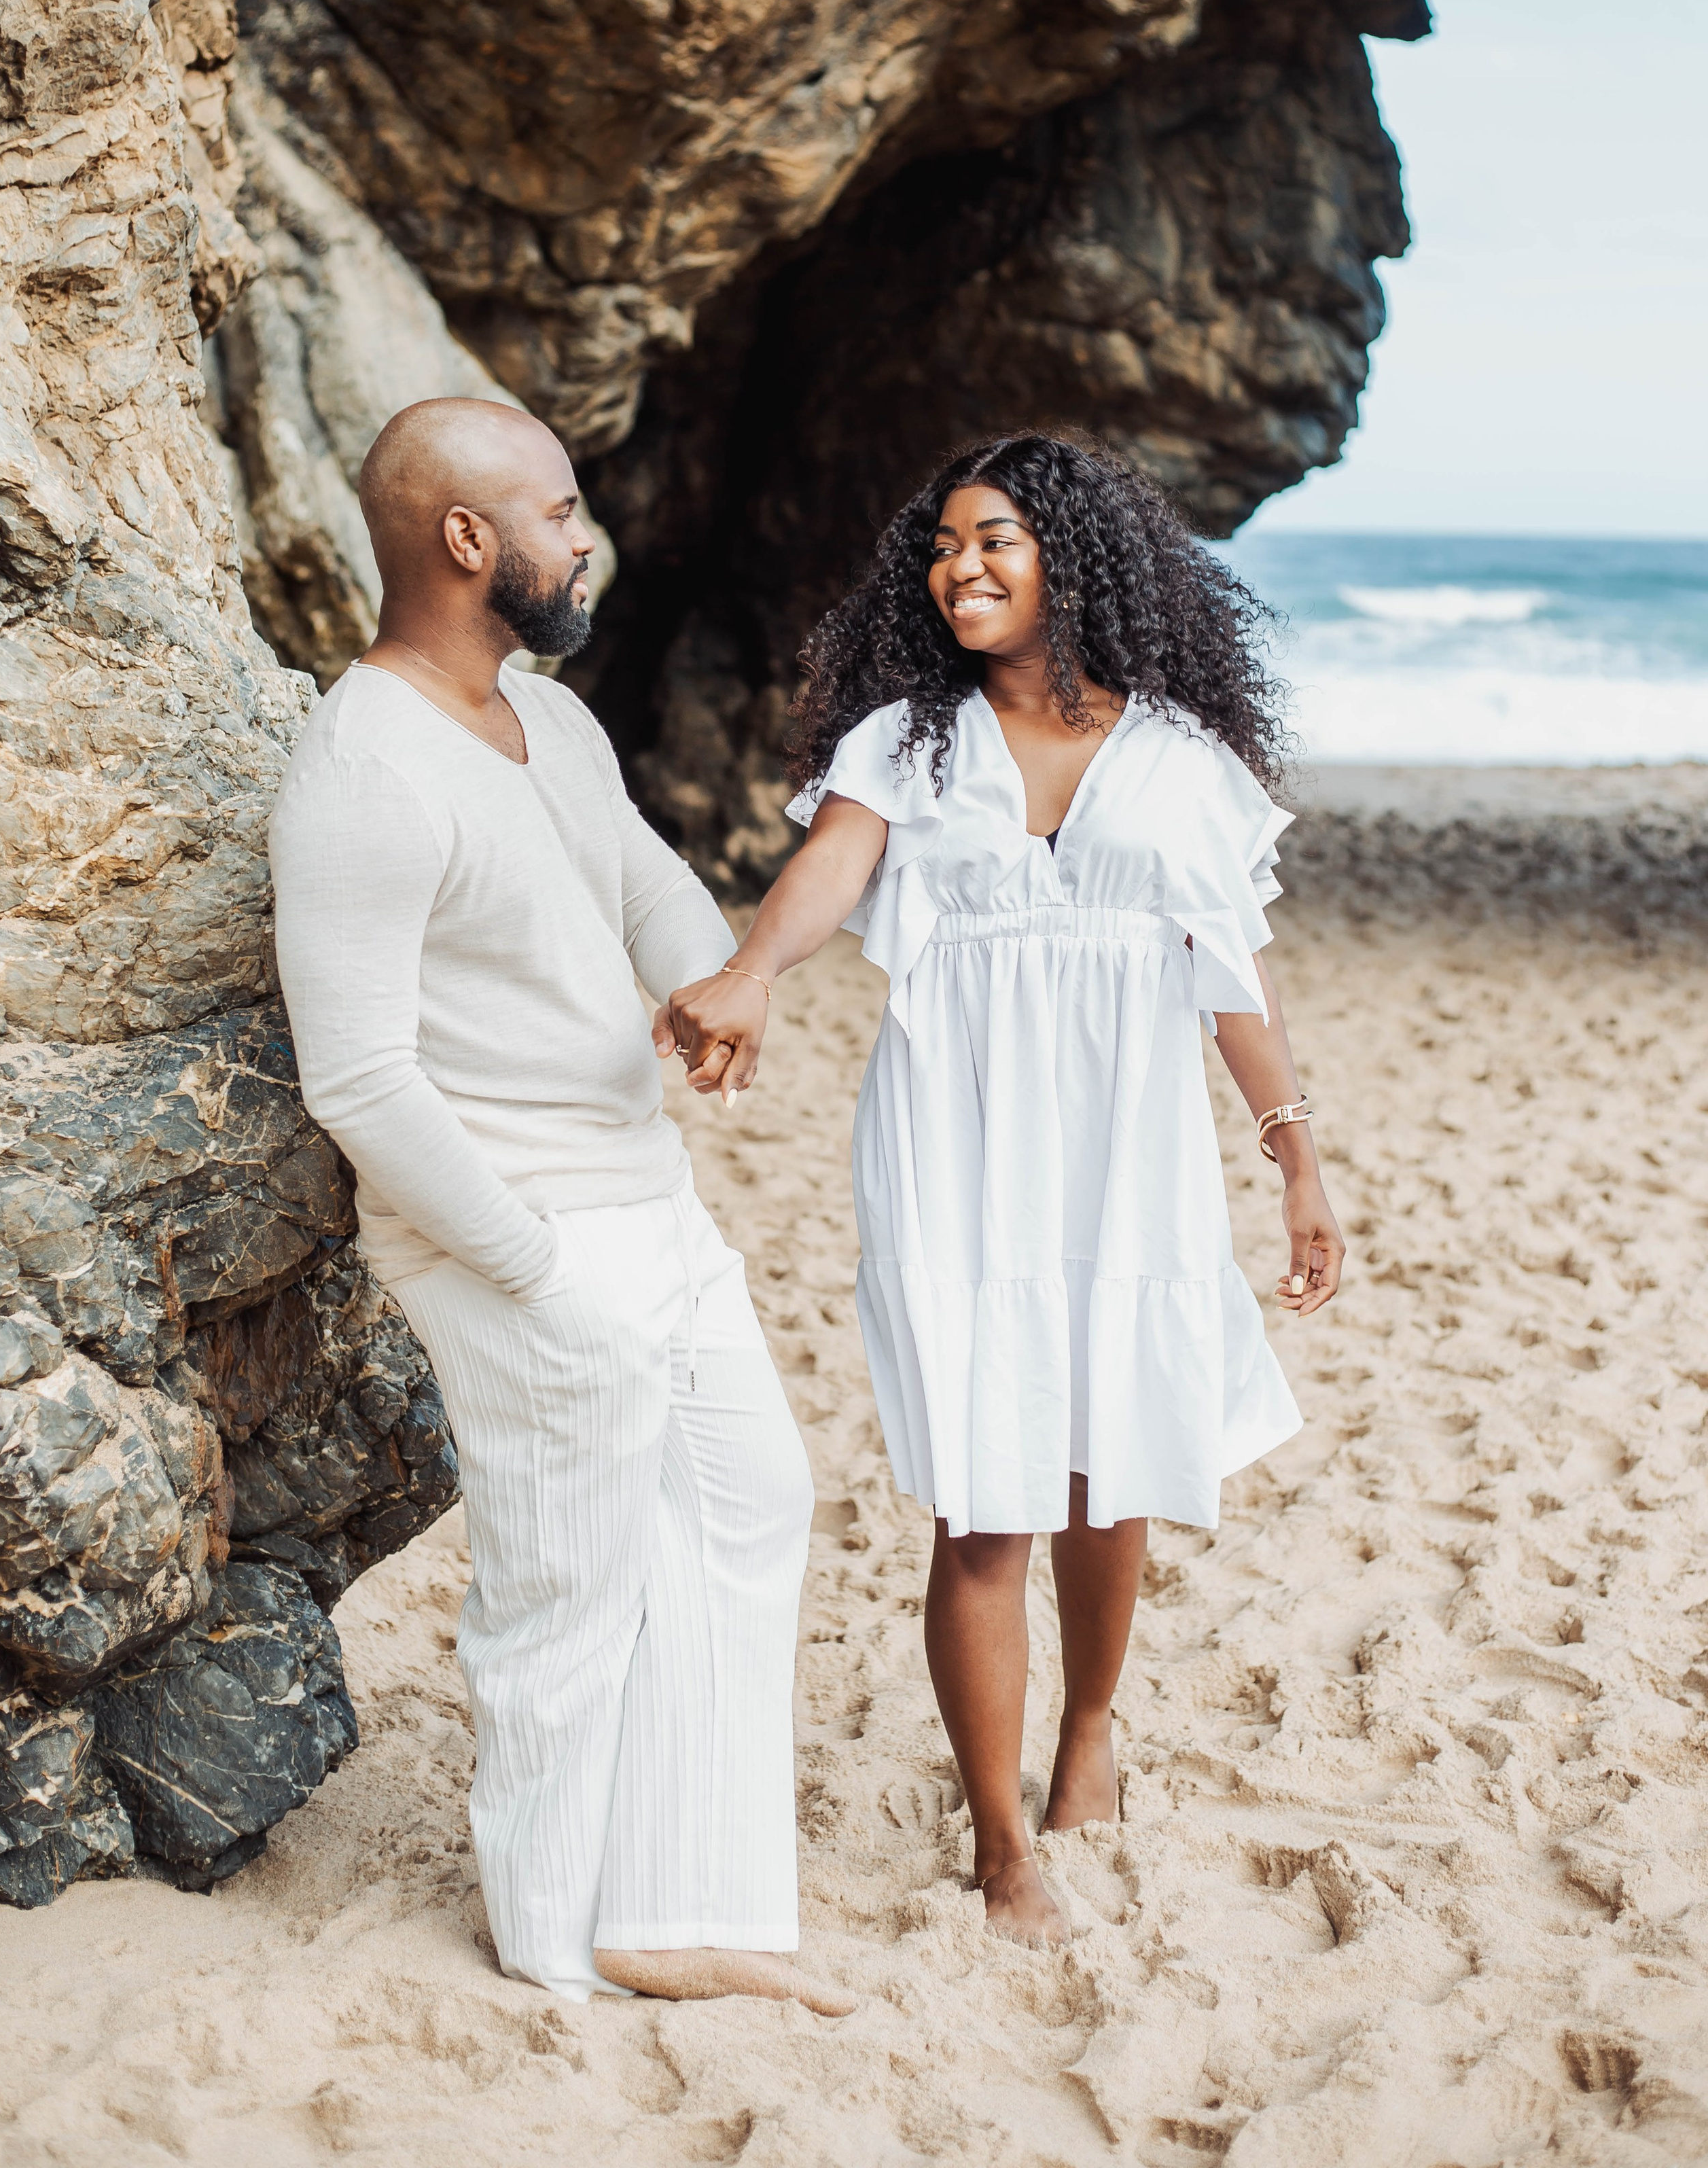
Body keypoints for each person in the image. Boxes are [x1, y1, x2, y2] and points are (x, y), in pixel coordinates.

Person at [658, 431, 1345, 1949]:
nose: (957, 566)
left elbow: (1231, 974)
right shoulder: (903, 743)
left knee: (1111, 1467)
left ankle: (1086, 1730)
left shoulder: (1183, 761)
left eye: (995, 541)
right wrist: (751, 974)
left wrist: (1291, 1156)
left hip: (1130, 1146)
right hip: (959, 1143)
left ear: (1074, 562)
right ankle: (997, 1848)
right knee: (983, 1494)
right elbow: (834, 871)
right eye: (943, 545)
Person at [268, 395, 850, 2014]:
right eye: (561, 509)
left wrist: (705, 979)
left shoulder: (547, 718)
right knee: (567, 1584)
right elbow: (361, 1082)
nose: (587, 535)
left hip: (646, 1200)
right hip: (516, 1240)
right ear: (468, 540)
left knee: (746, 1506)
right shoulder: (365, 769)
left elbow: (642, 872)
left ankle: (675, 1903)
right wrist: (531, 1268)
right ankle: (549, 1938)